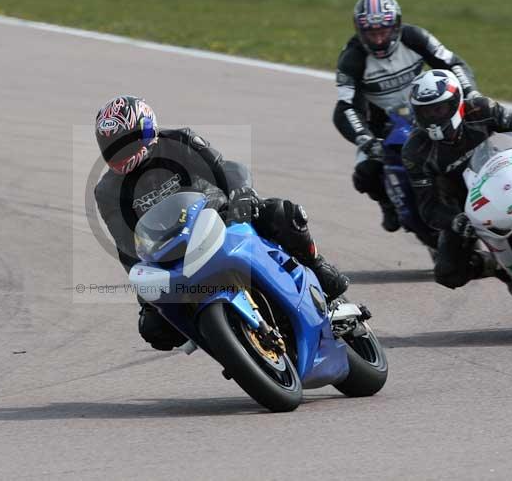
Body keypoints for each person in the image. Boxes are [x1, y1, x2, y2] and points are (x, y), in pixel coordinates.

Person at [93, 95, 349, 350]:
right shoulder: (106, 191)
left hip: (221, 218)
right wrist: (145, 293)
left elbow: (226, 169)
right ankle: (228, 344)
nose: (118, 152)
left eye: (124, 143)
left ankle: (317, 265)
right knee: (153, 327)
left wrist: (242, 194)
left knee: (281, 213)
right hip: (172, 253)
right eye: (111, 146)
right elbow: (126, 245)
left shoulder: (179, 141)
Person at [402, 69, 512, 291]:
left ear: (456, 102)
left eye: (438, 108)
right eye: (426, 111)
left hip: (507, 175)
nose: (433, 117)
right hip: (465, 206)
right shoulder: (415, 151)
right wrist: (454, 220)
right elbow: (428, 206)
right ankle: (498, 266)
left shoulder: (479, 109)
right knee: (448, 273)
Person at [333, 0, 478, 232]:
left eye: (384, 31)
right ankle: (388, 202)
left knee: (476, 135)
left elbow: (453, 64)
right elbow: (346, 107)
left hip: (430, 110)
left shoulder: (415, 37)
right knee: (365, 172)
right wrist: (366, 140)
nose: (379, 39)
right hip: (384, 128)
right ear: (360, 31)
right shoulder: (352, 58)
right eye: (372, 33)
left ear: (396, 26)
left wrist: (471, 94)